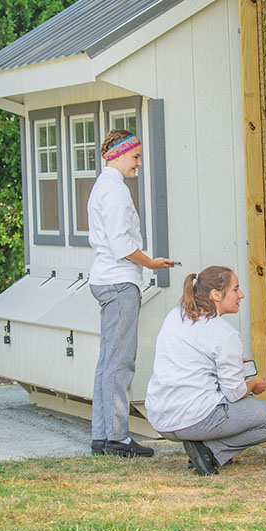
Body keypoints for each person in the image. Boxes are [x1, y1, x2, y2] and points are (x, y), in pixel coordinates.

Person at [145, 266, 266, 475]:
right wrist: (254, 384)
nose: (241, 295)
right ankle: (210, 452)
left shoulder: (176, 315)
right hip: (194, 418)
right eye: (236, 289)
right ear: (216, 295)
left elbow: (194, 360)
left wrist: (232, 363)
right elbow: (235, 393)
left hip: (160, 417)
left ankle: (203, 446)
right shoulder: (224, 333)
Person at [88, 129, 173, 458]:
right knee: (120, 363)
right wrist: (151, 262)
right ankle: (118, 439)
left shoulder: (102, 186)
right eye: (135, 157)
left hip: (105, 279)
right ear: (119, 155)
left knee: (107, 362)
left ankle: (102, 437)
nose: (139, 164)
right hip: (119, 282)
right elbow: (122, 245)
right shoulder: (115, 191)